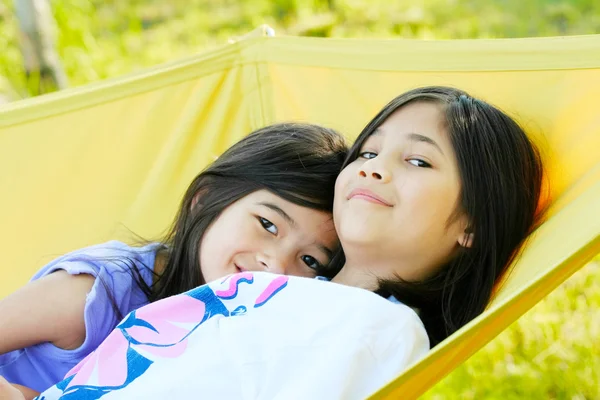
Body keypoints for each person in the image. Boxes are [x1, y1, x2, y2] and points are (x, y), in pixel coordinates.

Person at [15, 86, 546, 399]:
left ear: (469, 225)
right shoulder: (268, 292)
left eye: (417, 161)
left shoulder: (379, 328)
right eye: (367, 153)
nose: (375, 170)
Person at [0, 123, 348, 394]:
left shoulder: (252, 331)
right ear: (205, 200)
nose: (276, 265)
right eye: (268, 224)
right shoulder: (97, 292)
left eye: (311, 260)